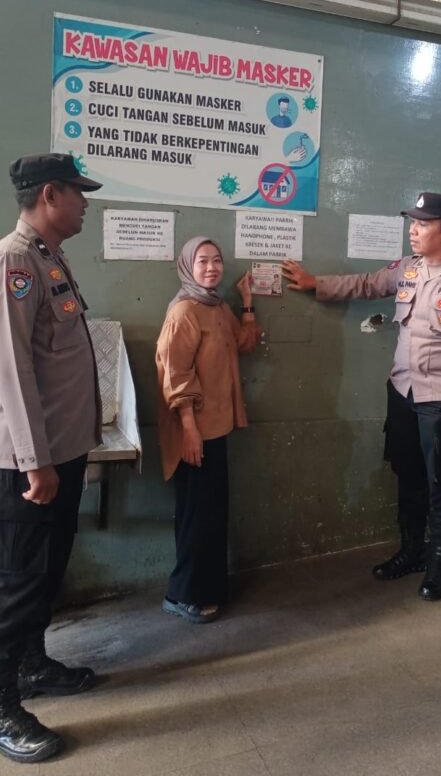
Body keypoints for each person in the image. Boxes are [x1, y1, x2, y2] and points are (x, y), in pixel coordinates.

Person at [282, 193, 441, 601]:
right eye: (412, 223)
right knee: (408, 477)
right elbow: (366, 284)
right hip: (402, 392)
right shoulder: (407, 269)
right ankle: (412, 552)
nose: (413, 231)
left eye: (422, 224)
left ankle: (439, 565)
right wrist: (316, 284)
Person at [0, 153, 104, 763]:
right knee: (14, 583)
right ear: (50, 194)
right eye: (78, 192)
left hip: (60, 452)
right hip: (28, 463)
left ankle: (31, 665)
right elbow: (11, 368)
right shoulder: (13, 261)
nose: (85, 203)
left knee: (45, 574)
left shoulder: (50, 257)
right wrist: (34, 461)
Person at [156, 237, 260, 623]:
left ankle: (208, 589)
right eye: (202, 261)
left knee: (212, 513)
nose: (212, 268)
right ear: (187, 266)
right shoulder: (184, 311)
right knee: (196, 516)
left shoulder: (215, 307)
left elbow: (243, 343)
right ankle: (182, 595)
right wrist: (189, 429)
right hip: (194, 431)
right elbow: (175, 376)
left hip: (216, 428)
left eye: (216, 260)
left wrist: (246, 302)